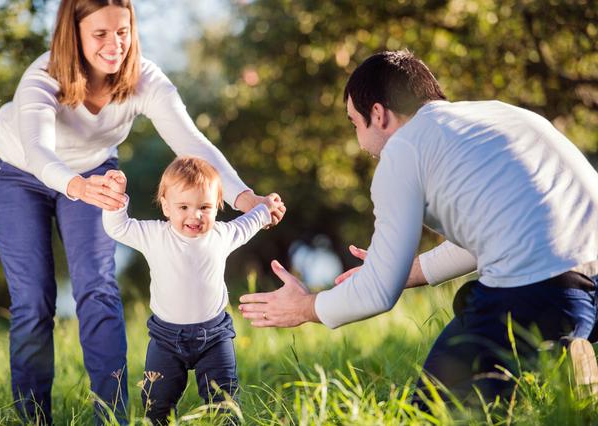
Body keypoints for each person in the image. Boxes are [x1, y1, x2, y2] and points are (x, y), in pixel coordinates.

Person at [0, 0, 284, 423]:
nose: (115, 44)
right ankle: (33, 417)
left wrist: (245, 198)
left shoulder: (144, 78)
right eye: (100, 34)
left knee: (98, 289)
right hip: (16, 171)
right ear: (75, 34)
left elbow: (192, 143)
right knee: (33, 301)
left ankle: (112, 417)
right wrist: (76, 186)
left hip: (93, 172)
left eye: (122, 31)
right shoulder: (43, 77)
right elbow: (38, 150)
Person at [238, 50, 598, 405]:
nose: (360, 142)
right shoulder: (501, 115)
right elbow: (503, 230)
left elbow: (379, 293)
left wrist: (305, 307)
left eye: (354, 123)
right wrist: (408, 271)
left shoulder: (403, 151)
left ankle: (560, 349)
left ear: (377, 114)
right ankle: (566, 353)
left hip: (544, 290)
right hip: (581, 280)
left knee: (431, 411)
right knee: (472, 303)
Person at [102, 157, 283, 424]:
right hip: (165, 338)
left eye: (205, 207)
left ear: (217, 206)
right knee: (156, 402)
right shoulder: (154, 235)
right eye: (183, 206)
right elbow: (117, 227)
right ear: (166, 206)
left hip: (214, 337)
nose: (194, 215)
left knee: (225, 401)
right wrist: (116, 200)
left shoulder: (222, 235)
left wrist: (266, 208)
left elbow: (249, 222)